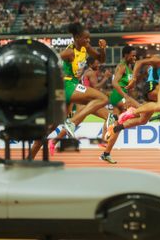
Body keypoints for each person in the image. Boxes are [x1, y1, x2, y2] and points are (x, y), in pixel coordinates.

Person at [30, 22, 109, 159]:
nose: (88, 40)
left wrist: (103, 49)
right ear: (77, 38)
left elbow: (100, 59)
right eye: (86, 38)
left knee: (49, 128)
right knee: (102, 98)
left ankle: (28, 160)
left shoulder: (86, 48)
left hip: (71, 86)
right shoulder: (69, 52)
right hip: (66, 85)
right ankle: (72, 123)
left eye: (89, 38)